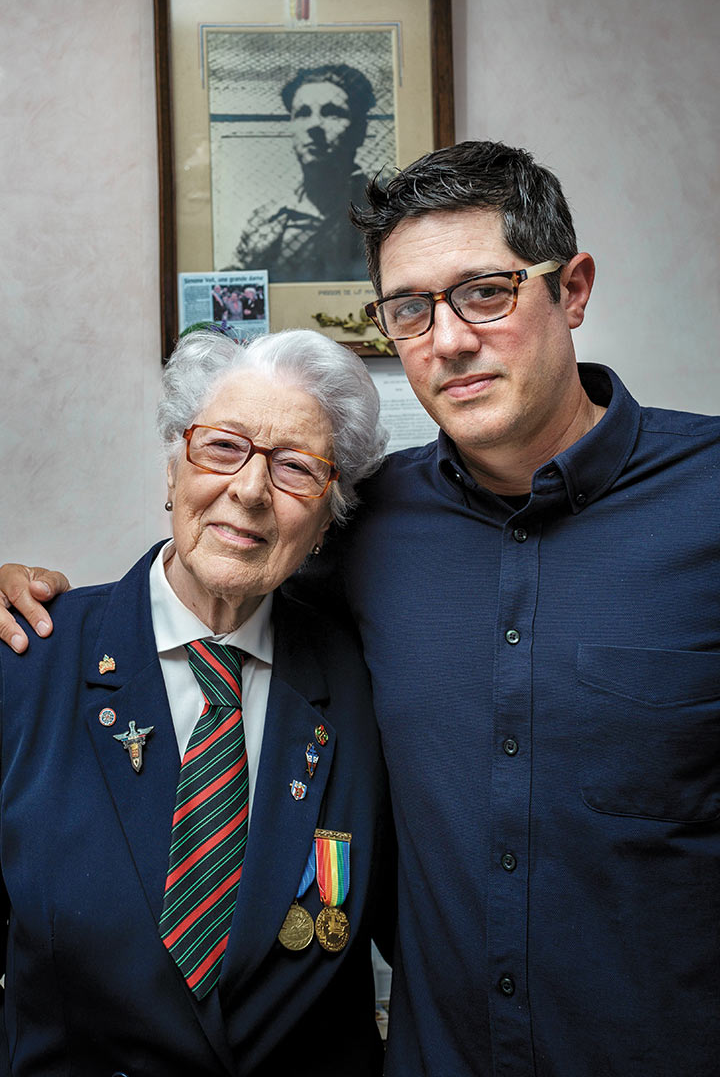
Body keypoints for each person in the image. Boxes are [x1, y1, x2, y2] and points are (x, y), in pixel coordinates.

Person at [4, 139, 719, 1077]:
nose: (448, 339)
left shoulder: (704, 501)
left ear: (573, 290)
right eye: (410, 308)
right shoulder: (372, 523)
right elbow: (213, 574)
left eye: (486, 293)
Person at [0, 326, 392, 1075]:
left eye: (295, 468)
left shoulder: (365, 688)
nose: (249, 490)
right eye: (222, 448)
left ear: (326, 519)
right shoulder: (28, 660)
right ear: (173, 469)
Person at [225, 64, 375, 282]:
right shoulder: (265, 222)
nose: (314, 125)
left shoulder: (382, 212)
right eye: (303, 113)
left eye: (332, 113)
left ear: (359, 131)